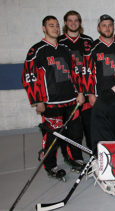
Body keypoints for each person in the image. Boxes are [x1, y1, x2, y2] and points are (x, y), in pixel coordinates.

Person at [22, 16, 84, 180]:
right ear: (44, 28)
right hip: (50, 104)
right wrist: (38, 100)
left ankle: (73, 158)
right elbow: (29, 76)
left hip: (71, 101)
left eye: (57, 25)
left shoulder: (65, 49)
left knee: (74, 133)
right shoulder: (36, 50)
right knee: (52, 136)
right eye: (51, 25)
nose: (55, 28)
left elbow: (75, 73)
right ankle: (51, 166)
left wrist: (79, 92)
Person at [58, 10, 93, 170]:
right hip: (68, 93)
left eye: (76, 20)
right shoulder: (59, 42)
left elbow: (92, 67)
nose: (73, 23)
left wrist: (91, 91)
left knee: (90, 126)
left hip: (86, 91)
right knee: (73, 130)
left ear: (80, 22)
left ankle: (94, 155)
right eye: (70, 21)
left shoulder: (87, 41)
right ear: (65, 23)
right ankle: (74, 158)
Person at [82, 14, 115, 106]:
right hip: (100, 95)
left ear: (114, 27)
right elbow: (87, 72)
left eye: (110, 25)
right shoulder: (91, 49)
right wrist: (91, 94)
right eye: (104, 25)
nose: (107, 28)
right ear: (98, 28)